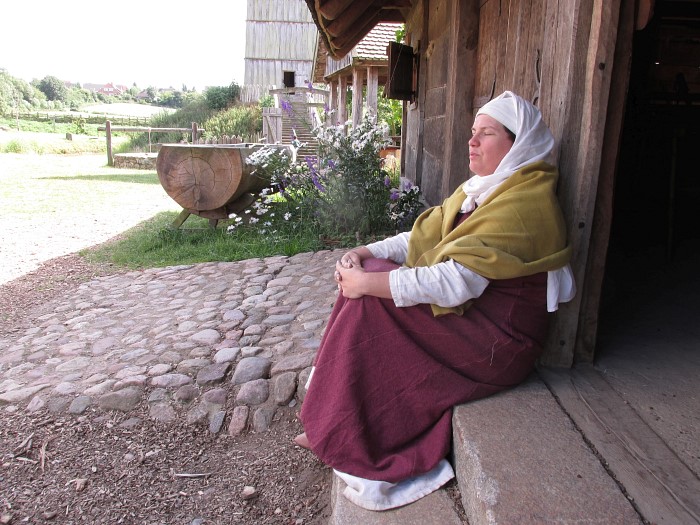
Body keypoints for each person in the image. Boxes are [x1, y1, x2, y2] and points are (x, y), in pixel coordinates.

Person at [295, 91, 575, 511]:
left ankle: (345, 432)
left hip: (499, 342)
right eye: (473, 132)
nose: (472, 141)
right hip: (474, 318)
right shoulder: (481, 191)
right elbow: (421, 238)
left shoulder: (524, 204)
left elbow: (455, 283)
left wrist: (366, 284)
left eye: (486, 133)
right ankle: (331, 422)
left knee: (371, 297)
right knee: (370, 281)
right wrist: (365, 253)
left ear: (517, 144)